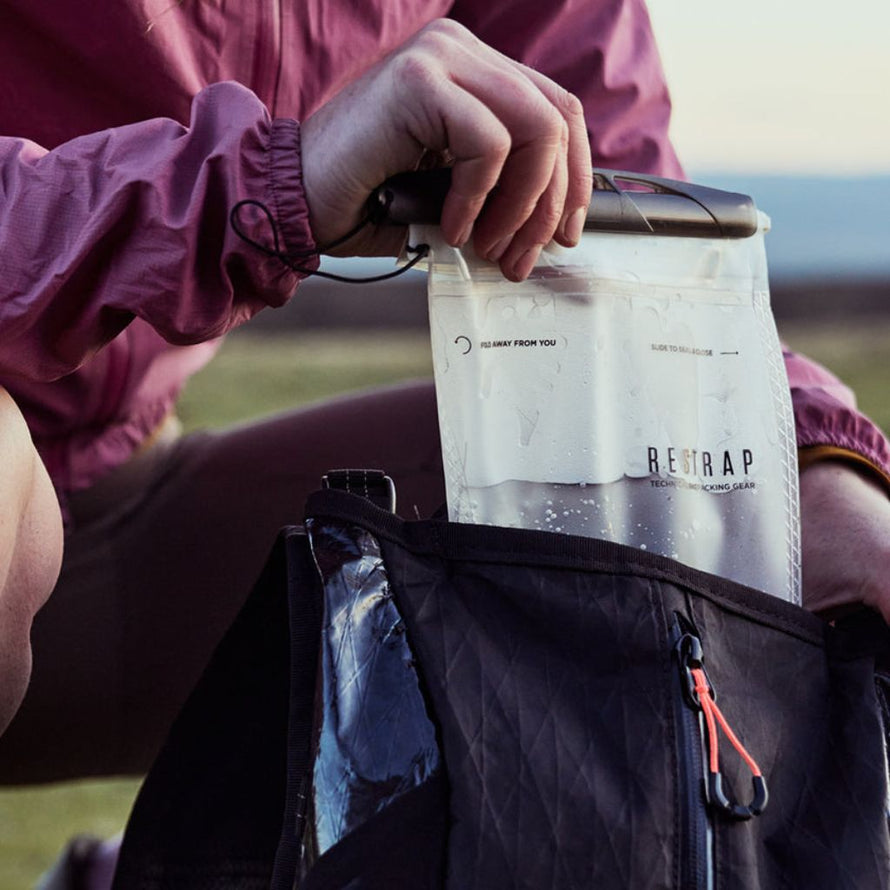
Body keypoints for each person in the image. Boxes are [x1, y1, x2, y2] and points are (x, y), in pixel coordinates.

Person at [1, 0, 888, 791]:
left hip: (119, 497)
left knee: (734, 519)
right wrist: (269, 180)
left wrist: (809, 459)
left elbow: (622, 245)